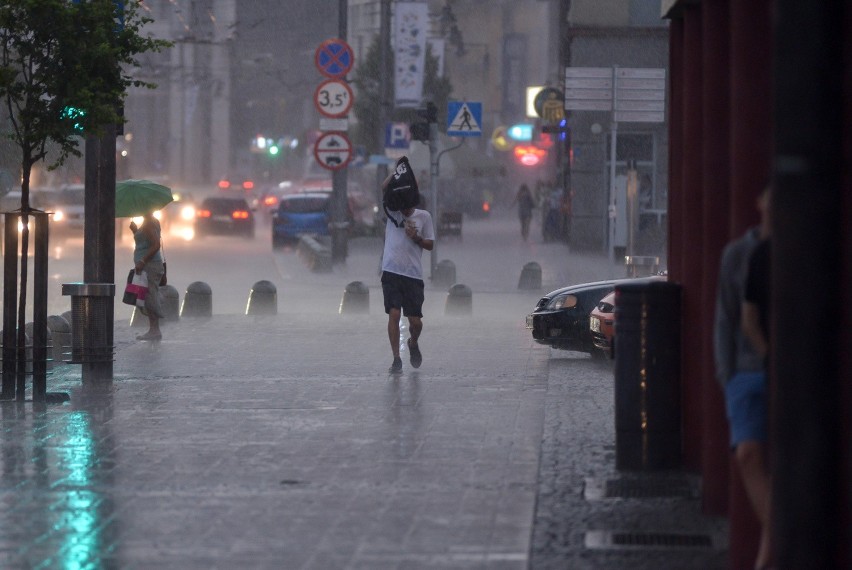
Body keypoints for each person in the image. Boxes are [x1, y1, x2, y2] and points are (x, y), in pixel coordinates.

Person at [713, 185, 772, 570]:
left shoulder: (800, 250)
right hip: (748, 373)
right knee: (749, 457)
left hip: (792, 376)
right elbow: (728, 319)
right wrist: (727, 376)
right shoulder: (739, 255)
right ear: (760, 201)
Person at [381, 178, 435, 374]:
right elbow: (384, 188)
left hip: (412, 275)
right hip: (391, 272)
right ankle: (396, 359)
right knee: (394, 314)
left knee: (415, 322)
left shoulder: (424, 217)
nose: (403, 210)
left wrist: (416, 238)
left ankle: (413, 343)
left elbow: (430, 244)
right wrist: (398, 172)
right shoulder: (393, 213)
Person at [130, 212, 165, 341]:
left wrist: (143, 261)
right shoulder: (150, 221)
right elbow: (144, 243)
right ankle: (153, 329)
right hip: (148, 265)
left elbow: (155, 245)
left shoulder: (149, 223)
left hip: (149, 266)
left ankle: (155, 330)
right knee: (148, 295)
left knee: (150, 296)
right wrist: (135, 231)